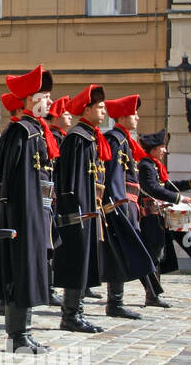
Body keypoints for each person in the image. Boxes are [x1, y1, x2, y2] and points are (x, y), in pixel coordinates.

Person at [0, 64, 56, 353]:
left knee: (32, 272)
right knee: (20, 273)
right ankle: (17, 336)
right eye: (45, 96)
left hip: (37, 212)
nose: (50, 102)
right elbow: (9, 177)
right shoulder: (20, 132)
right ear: (30, 100)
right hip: (22, 215)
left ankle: (24, 331)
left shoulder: (38, 132)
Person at [52, 84, 107, 334]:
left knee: (84, 262)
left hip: (87, 209)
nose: (104, 111)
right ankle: (71, 315)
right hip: (77, 213)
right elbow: (68, 181)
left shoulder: (89, 137)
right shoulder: (77, 138)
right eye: (100, 107)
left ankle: (76, 312)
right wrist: (72, 211)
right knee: (76, 262)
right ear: (87, 109)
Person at [101, 94, 158, 315]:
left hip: (129, 205)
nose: (137, 118)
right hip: (121, 205)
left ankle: (122, 301)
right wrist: (118, 205)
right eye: (133, 114)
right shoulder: (116, 140)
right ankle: (115, 304)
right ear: (123, 116)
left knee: (126, 252)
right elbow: (114, 175)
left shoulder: (124, 139)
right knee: (120, 253)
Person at [135, 129, 191, 301]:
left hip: (157, 216)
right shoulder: (145, 166)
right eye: (162, 147)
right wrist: (180, 198)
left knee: (158, 255)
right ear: (154, 149)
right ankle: (152, 294)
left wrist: (190, 184)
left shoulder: (154, 165)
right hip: (148, 217)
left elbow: (166, 186)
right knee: (153, 254)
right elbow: (153, 188)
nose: (165, 150)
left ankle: (153, 294)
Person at [45, 97, 72, 308]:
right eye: (65, 113)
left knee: (54, 242)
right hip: (50, 196)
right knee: (49, 244)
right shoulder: (53, 136)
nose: (70, 116)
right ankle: (48, 287)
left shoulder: (61, 137)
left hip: (54, 196)